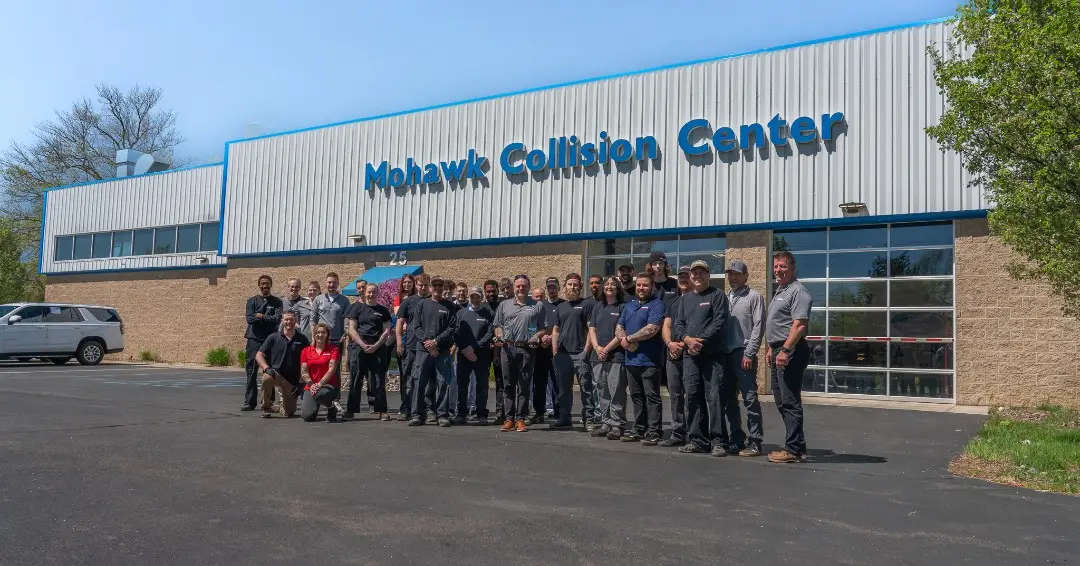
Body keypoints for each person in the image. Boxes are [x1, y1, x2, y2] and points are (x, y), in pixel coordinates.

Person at [672, 260, 732, 456]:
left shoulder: (717, 295)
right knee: (693, 397)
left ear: (708, 275)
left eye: (701, 273)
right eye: (694, 273)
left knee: (714, 398)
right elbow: (678, 325)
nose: (697, 276)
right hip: (691, 356)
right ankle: (697, 439)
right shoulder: (685, 299)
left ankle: (718, 441)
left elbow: (719, 322)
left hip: (713, 356)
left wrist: (701, 341)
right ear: (690, 276)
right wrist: (688, 340)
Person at [765, 251, 813, 464]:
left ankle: (793, 449)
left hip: (790, 349)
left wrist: (785, 349)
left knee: (790, 400)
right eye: (775, 267)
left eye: (782, 266)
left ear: (793, 268)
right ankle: (797, 445)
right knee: (780, 399)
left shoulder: (798, 291)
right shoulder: (781, 290)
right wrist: (770, 348)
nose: (778, 270)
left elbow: (799, 324)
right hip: (778, 349)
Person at [492, 274, 547, 433]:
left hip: (527, 349)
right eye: (518, 286)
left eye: (524, 286)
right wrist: (499, 336)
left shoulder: (537, 305)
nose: (521, 288)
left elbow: (543, 328)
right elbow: (497, 325)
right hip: (507, 349)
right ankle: (509, 419)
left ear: (529, 287)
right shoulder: (504, 305)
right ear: (514, 287)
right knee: (508, 385)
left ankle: (521, 419)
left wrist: (536, 336)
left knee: (523, 385)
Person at [618, 273, 666, 445]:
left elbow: (652, 329)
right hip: (631, 360)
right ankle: (639, 428)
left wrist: (629, 339)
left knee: (651, 397)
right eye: (639, 285)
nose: (641, 288)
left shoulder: (657, 305)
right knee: (636, 396)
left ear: (651, 286)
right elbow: (619, 326)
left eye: (645, 285)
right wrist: (624, 340)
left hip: (650, 361)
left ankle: (654, 431)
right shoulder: (629, 305)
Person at [724, 260, 766, 457]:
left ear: (745, 276)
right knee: (729, 399)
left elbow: (759, 326)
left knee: (750, 398)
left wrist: (750, 352)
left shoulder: (754, 296)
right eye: (730, 274)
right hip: (727, 354)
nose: (733, 277)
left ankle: (755, 440)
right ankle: (736, 438)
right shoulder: (725, 298)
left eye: (737, 274)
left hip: (744, 352)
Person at [407, 275, 457, 427]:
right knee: (419, 382)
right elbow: (416, 326)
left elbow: (451, 328)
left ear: (443, 288)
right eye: (434, 285)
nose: (437, 288)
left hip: (442, 351)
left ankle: (442, 415)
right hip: (423, 351)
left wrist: (436, 342)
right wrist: (428, 344)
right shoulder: (422, 304)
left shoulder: (450, 306)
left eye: (440, 285)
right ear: (430, 288)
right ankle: (417, 414)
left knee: (443, 383)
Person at [550, 273, 595, 430]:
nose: (573, 287)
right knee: (563, 389)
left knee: (586, 389)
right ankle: (564, 418)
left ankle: (588, 419)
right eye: (570, 284)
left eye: (576, 285)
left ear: (580, 287)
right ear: (565, 286)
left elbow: (591, 330)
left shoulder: (587, 304)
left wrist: (586, 351)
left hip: (580, 353)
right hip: (563, 355)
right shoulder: (560, 307)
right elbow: (556, 330)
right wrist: (555, 352)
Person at [344, 283, 393, 421]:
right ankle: (351, 411)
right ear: (364, 293)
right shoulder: (356, 308)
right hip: (359, 347)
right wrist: (362, 344)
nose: (371, 294)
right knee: (355, 380)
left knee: (378, 380)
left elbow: (386, 331)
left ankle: (382, 410)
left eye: (374, 292)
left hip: (378, 348)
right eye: (369, 292)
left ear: (378, 293)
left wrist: (376, 345)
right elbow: (351, 329)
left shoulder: (383, 310)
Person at [588, 276, 627, 440]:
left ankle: (617, 425)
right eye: (607, 284)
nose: (609, 286)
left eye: (613, 284)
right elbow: (592, 330)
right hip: (597, 356)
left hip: (616, 356)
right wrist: (597, 347)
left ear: (618, 288)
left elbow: (622, 333)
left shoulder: (623, 307)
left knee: (616, 391)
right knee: (602, 391)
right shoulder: (598, 307)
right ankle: (606, 423)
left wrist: (607, 349)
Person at [254, 310, 310, 418]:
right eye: (286, 319)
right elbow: (259, 355)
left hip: (292, 381)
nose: (289, 322)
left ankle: (280, 407)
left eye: (291, 319)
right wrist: (266, 368)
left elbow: (307, 362)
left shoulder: (302, 339)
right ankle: (266, 407)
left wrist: (301, 383)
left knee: (289, 413)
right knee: (266, 378)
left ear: (296, 321)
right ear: (282, 321)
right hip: (276, 375)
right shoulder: (273, 337)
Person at [660, 266, 692, 447]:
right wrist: (670, 343)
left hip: (690, 354)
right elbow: (666, 325)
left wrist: (684, 344)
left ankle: (695, 433)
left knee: (693, 395)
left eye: (686, 276)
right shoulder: (672, 302)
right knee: (675, 395)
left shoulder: (698, 299)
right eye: (680, 276)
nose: (683, 279)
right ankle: (678, 432)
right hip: (672, 354)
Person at [453, 286, 495, 425]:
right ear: (469, 297)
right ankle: (461, 414)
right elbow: (456, 333)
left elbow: (490, 333)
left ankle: (481, 414)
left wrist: (474, 347)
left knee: (481, 385)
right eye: (472, 296)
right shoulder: (461, 313)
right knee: (462, 385)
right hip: (463, 355)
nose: (475, 299)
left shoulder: (488, 313)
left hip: (481, 356)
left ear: (481, 297)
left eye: (477, 296)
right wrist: (465, 349)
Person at [243, 275, 283, 411]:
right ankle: (249, 402)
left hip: (270, 340)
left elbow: (276, 320)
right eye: (262, 284)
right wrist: (267, 318)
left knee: (270, 370)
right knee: (251, 371)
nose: (265, 286)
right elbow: (249, 319)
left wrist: (260, 316)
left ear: (271, 285)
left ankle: (268, 402)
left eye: (267, 284)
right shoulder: (251, 301)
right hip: (253, 340)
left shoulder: (277, 302)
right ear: (259, 285)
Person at [396, 274, 430, 421]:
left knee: (428, 380)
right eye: (420, 285)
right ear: (416, 285)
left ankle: (427, 409)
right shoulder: (408, 301)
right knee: (409, 378)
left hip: (428, 346)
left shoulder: (433, 301)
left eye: (425, 285)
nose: (423, 287)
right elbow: (399, 323)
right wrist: (399, 342)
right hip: (411, 344)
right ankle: (407, 407)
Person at [532, 276, 561, 424]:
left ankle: (558, 414)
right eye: (549, 287)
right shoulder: (540, 305)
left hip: (558, 351)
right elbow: (533, 325)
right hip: (541, 350)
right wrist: (541, 337)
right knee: (539, 383)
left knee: (558, 384)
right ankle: (539, 413)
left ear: (558, 288)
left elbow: (566, 326)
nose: (551, 289)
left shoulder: (564, 305)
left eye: (554, 287)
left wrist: (554, 339)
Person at [300, 322, 341, 422]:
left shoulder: (334, 350)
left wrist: (320, 384)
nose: (320, 335)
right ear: (314, 334)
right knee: (307, 416)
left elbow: (331, 370)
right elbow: (304, 371)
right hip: (311, 386)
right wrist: (311, 384)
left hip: (328, 385)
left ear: (327, 335)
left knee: (320, 395)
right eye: (318, 332)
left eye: (323, 332)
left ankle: (331, 408)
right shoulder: (306, 351)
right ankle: (316, 405)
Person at [393, 274, 417, 418]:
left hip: (416, 338)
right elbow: (399, 315)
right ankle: (405, 404)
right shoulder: (399, 298)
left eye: (410, 282)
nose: (407, 284)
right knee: (405, 373)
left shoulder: (419, 298)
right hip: (404, 337)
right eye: (405, 282)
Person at [484, 279, 507, 424]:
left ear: (498, 290)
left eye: (493, 291)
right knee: (482, 381)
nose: (491, 293)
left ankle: (501, 411)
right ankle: (481, 410)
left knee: (500, 380)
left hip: (500, 348)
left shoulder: (503, 306)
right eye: (488, 291)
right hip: (484, 349)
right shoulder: (482, 307)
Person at [314, 272, 350, 346]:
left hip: (337, 339)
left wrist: (345, 334)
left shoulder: (344, 300)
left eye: (334, 282)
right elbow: (313, 318)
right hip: (321, 338)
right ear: (326, 283)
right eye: (329, 282)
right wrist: (313, 336)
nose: (331, 285)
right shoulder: (318, 299)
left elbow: (347, 320)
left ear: (338, 283)